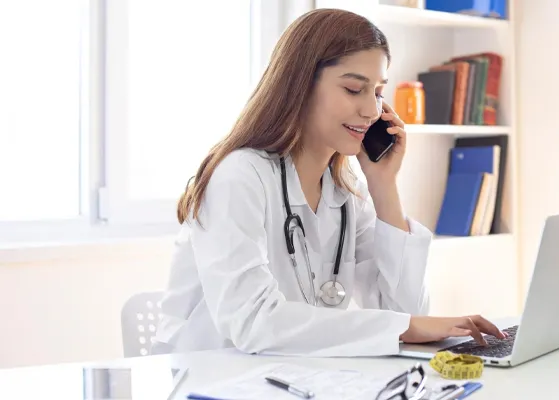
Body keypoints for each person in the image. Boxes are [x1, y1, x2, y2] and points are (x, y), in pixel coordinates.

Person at [153, 8, 506, 357]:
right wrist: (404, 327)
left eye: (378, 92)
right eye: (354, 89)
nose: (371, 110)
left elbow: (403, 309)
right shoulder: (238, 176)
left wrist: (384, 186)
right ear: (300, 86)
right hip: (207, 377)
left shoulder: (345, 192)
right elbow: (252, 321)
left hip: (294, 377)